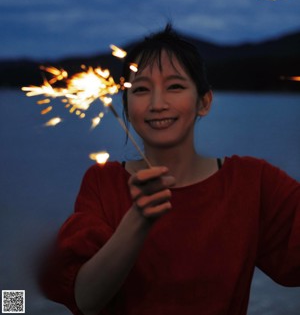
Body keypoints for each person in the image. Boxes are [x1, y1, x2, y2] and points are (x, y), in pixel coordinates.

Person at [39, 24, 300, 315]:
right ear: (125, 107)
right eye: (140, 89)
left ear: (204, 102)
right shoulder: (103, 183)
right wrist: (138, 219)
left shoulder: (252, 182)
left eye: (175, 86)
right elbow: (86, 299)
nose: (157, 103)